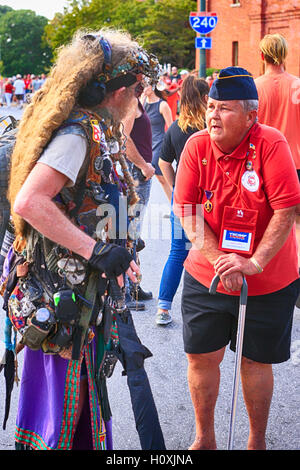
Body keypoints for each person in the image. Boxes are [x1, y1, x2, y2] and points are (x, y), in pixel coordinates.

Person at [3, 29, 164, 451]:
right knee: (68, 421)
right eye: (137, 89)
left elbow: (95, 205)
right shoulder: (78, 134)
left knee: (83, 414)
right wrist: (96, 250)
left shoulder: (102, 130)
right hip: (66, 303)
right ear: (119, 91)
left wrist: (121, 254)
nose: (139, 97)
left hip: (86, 303)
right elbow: (29, 201)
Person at [173, 67, 300, 450]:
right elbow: (188, 211)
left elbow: (286, 209)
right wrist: (220, 260)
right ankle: (204, 438)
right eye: (211, 106)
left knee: (255, 361)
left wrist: (254, 263)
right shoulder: (196, 145)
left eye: (224, 108)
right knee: (200, 357)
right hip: (206, 274)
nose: (213, 115)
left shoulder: (271, 143)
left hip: (267, 277)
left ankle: (256, 441)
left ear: (251, 116)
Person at [156, 76, 209, 325]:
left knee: (177, 253)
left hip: (183, 198)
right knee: (211, 251)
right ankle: (209, 308)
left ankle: (163, 307)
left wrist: (175, 187)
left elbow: (163, 162)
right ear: (204, 98)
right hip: (210, 198)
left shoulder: (176, 128)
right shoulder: (211, 128)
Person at [254, 34, 300, 270]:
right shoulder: (298, 85)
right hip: (297, 163)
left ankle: (275, 273)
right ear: (285, 54)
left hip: (266, 165)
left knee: (268, 223)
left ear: (262, 55)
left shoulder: (255, 88)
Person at [123, 96, 155, 308]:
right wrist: (143, 165)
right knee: (129, 234)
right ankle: (126, 291)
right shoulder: (131, 101)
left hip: (135, 171)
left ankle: (132, 287)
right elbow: (123, 137)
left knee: (132, 233)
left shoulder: (134, 99)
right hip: (136, 172)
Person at [143, 84, 173, 201]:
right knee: (157, 178)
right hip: (147, 144)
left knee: (161, 177)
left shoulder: (163, 105)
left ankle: (175, 205)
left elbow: (171, 127)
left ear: (153, 87)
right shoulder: (143, 103)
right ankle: (174, 204)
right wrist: (141, 99)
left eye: (146, 86)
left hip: (160, 143)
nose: (144, 89)